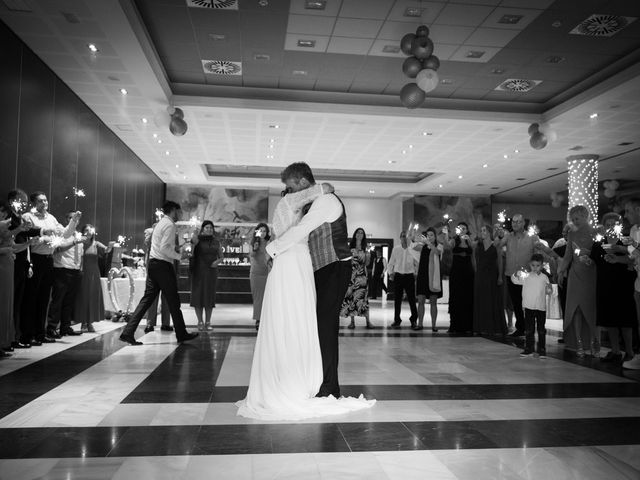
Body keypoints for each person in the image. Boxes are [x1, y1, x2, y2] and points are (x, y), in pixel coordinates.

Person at [237, 162, 374, 420]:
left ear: (301, 181)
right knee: (317, 325)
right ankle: (319, 380)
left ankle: (330, 387)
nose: (288, 191)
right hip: (321, 269)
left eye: (290, 186)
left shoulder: (327, 201)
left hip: (336, 267)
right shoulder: (313, 199)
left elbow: (302, 229)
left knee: (325, 324)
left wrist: (272, 249)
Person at [119, 201, 198, 345]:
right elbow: (164, 248)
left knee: (147, 299)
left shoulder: (161, 223)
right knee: (173, 300)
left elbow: (161, 246)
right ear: (173, 210)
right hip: (163, 266)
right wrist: (181, 256)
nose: (181, 214)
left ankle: (128, 332)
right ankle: (181, 333)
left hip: (154, 264)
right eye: (179, 212)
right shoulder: (169, 224)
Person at [21, 193, 80, 345]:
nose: (44, 203)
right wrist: (46, 239)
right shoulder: (28, 216)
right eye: (40, 201)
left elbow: (65, 234)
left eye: (46, 200)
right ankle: (28, 334)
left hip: (48, 260)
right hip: (35, 258)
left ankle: (40, 333)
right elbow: (29, 238)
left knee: (44, 299)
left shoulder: (51, 218)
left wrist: (73, 222)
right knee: (31, 298)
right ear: (34, 203)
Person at [591, 213, 635, 363]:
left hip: (623, 284)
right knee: (609, 319)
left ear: (619, 226)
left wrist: (617, 258)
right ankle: (615, 350)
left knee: (625, 319)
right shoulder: (599, 243)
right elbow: (594, 260)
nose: (610, 228)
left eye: (613, 225)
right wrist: (586, 258)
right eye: (607, 225)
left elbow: (632, 261)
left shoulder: (626, 242)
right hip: (605, 284)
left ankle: (629, 351)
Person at [558, 205, 597, 357]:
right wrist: (561, 271)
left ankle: (593, 342)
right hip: (575, 274)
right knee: (576, 309)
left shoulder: (595, 232)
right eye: (573, 219)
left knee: (590, 308)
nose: (575, 221)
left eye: (577, 218)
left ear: (585, 216)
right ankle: (578, 342)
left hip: (590, 274)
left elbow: (599, 254)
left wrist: (590, 256)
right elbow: (568, 255)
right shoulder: (572, 234)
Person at [497, 214, 542, 337]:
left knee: (528, 303)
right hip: (511, 274)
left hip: (527, 275)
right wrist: (498, 236)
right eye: (513, 222)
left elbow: (538, 255)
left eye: (518, 222)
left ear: (523, 223)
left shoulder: (532, 237)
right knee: (516, 303)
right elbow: (498, 246)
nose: (515, 224)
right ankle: (521, 328)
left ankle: (530, 328)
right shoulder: (508, 237)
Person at [46, 212, 86, 338]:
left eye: (76, 218)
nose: (73, 220)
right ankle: (52, 327)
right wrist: (74, 242)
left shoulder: (78, 235)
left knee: (69, 301)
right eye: (70, 218)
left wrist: (80, 269)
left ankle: (65, 327)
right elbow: (57, 249)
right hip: (62, 269)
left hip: (75, 270)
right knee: (58, 300)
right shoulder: (62, 233)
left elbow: (80, 254)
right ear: (67, 219)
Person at [511, 253, 553, 357]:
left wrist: (549, 288)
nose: (535, 268)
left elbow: (549, 291)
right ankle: (528, 348)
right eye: (533, 265)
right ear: (530, 265)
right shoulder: (526, 276)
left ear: (542, 266)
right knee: (529, 329)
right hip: (528, 307)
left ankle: (542, 349)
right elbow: (515, 281)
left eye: (538, 265)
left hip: (540, 307)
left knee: (541, 330)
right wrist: (516, 274)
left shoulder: (544, 277)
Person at [473, 224, 507, 336]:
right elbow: (475, 260)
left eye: (484, 230)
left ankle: (494, 327)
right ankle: (481, 326)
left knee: (492, 300)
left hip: (492, 276)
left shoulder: (496, 245)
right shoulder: (478, 245)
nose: (482, 232)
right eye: (481, 230)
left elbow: (500, 262)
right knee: (481, 300)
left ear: (489, 232)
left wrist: (500, 276)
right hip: (480, 276)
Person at [75, 224, 109, 332]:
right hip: (83, 272)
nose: (89, 232)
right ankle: (83, 322)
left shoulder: (96, 244)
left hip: (94, 273)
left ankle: (90, 322)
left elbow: (107, 250)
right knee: (83, 296)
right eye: (86, 230)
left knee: (92, 296)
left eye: (90, 230)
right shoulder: (79, 243)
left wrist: (111, 246)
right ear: (83, 232)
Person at [190, 220, 223, 331]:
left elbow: (221, 257)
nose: (209, 229)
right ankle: (200, 321)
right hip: (198, 271)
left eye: (211, 228)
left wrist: (217, 262)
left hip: (211, 272)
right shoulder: (197, 239)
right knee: (198, 296)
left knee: (209, 297)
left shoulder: (216, 241)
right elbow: (192, 253)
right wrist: (193, 240)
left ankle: (208, 322)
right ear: (203, 229)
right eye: (207, 227)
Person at [621, 198, 640, 369]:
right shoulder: (634, 229)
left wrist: (633, 244)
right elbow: (633, 256)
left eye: (628, 211)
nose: (626, 215)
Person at [341, 227, 373, 329]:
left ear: (363, 236)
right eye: (358, 232)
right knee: (352, 298)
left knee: (363, 299)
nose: (360, 234)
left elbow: (367, 264)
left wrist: (368, 256)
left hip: (362, 276)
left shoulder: (365, 249)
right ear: (355, 235)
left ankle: (368, 321)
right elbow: (347, 263)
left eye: (362, 233)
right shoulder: (350, 248)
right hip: (352, 276)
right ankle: (352, 322)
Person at [447, 222, 475, 335]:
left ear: (467, 230)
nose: (462, 230)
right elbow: (447, 246)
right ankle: (454, 325)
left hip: (468, 272)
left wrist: (468, 240)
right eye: (460, 228)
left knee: (468, 297)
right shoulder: (454, 240)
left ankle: (468, 325)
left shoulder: (469, 241)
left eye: (464, 228)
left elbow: (473, 251)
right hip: (456, 272)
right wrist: (446, 234)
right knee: (455, 296)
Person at [387, 230, 418, 329]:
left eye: (405, 236)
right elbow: (391, 262)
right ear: (400, 238)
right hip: (398, 276)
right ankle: (397, 320)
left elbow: (416, 263)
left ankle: (413, 320)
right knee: (397, 300)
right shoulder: (396, 249)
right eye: (402, 236)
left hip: (409, 276)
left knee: (412, 300)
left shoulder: (412, 249)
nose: (404, 238)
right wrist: (390, 272)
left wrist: (416, 273)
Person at [414, 227, 443, 332]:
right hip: (422, 275)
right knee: (421, 300)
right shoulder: (422, 246)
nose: (429, 237)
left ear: (435, 237)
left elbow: (437, 252)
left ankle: (434, 325)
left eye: (431, 235)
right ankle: (420, 324)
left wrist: (429, 243)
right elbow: (413, 247)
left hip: (434, 276)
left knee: (433, 302)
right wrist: (415, 238)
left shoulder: (439, 246)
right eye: (428, 235)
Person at [0, 201, 15, 356]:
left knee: (7, 304)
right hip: (2, 267)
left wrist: (30, 242)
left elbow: (13, 245)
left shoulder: (5, 228)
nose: (3, 215)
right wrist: (6, 249)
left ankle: (3, 341)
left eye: (5, 212)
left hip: (8, 266)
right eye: (1, 211)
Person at [250, 222, 271, 331]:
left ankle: (265, 319)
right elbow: (252, 255)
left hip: (267, 273)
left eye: (264, 231)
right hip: (256, 274)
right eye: (260, 231)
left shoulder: (270, 242)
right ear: (257, 232)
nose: (262, 233)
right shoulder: (254, 242)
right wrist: (255, 248)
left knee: (266, 298)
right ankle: (258, 319)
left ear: (267, 232)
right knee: (258, 298)